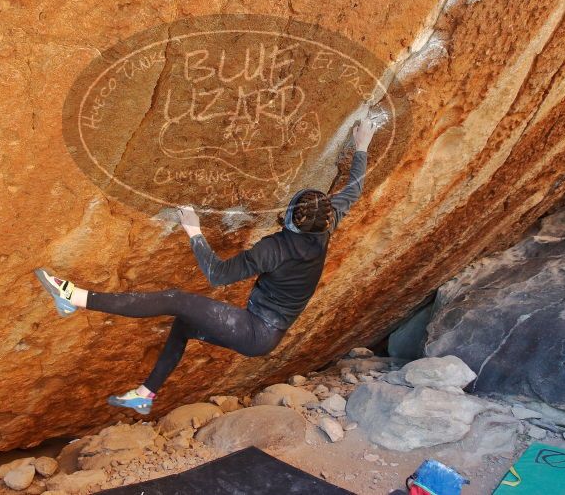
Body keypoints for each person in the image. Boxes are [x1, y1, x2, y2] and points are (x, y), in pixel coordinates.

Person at [34, 116, 379, 415]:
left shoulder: (274, 249)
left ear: (289, 216)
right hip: (265, 330)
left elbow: (217, 275)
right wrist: (362, 145)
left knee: (176, 299)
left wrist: (194, 231)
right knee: (183, 325)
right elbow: (355, 188)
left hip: (256, 331)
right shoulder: (327, 224)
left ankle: (73, 297)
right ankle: (145, 394)